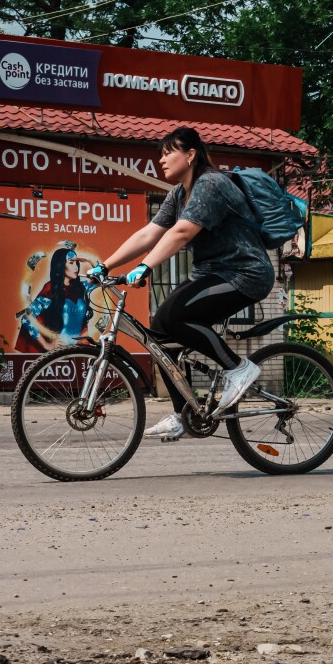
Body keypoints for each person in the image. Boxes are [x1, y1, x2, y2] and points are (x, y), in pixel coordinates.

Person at [91, 127, 277, 441]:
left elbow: (181, 234)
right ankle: (182, 413)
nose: (161, 160)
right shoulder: (179, 193)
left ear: (190, 155)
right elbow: (149, 234)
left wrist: (145, 266)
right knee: (160, 332)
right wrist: (104, 265)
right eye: (160, 154)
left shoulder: (211, 184)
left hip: (245, 273)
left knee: (178, 316)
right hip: (211, 274)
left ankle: (238, 368)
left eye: (168, 153)